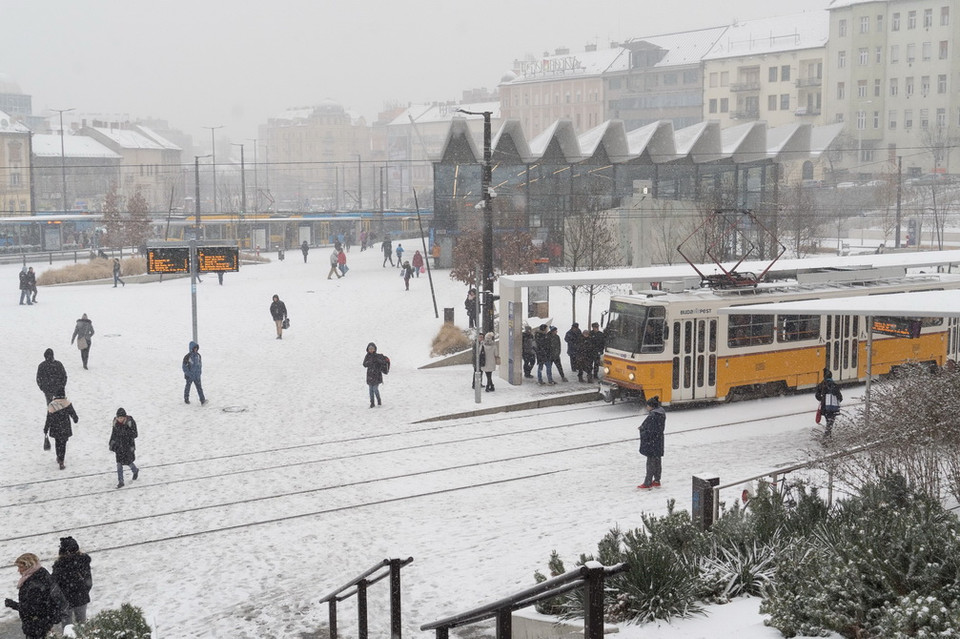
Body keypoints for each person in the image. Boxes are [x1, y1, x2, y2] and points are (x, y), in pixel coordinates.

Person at [5, 553, 67, 639]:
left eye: (21, 567)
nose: (18, 570)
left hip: (37, 625)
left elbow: (33, 609)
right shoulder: (40, 573)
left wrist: (13, 605)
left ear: (29, 566)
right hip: (43, 622)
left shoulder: (34, 583)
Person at [51, 537, 92, 626]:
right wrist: (83, 591)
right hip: (81, 596)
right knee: (82, 623)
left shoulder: (59, 565)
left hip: (65, 599)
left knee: (67, 625)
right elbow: (89, 582)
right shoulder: (83, 560)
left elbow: (54, 584)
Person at [637, 396, 666, 489]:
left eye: (647, 405)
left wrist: (642, 430)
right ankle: (657, 480)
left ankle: (647, 483)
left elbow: (649, 430)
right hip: (659, 440)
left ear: (651, 406)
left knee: (650, 463)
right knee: (657, 461)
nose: (646, 407)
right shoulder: (661, 413)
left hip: (652, 442)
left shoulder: (653, 416)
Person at [45, 394, 79, 470]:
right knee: (63, 444)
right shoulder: (67, 403)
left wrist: (46, 428)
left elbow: (49, 418)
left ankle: (59, 457)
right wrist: (75, 419)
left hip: (55, 428)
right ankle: (61, 461)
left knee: (57, 443)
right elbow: (73, 415)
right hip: (65, 427)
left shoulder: (52, 405)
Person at [109, 408, 139, 488]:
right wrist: (111, 443)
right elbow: (113, 434)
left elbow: (135, 434)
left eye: (121, 418)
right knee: (119, 464)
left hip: (128, 446)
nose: (120, 419)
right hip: (119, 446)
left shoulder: (130, 422)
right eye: (118, 418)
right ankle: (121, 481)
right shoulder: (115, 423)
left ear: (125, 417)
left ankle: (135, 470)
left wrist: (125, 433)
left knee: (128, 462)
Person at [815, 368, 843, 437]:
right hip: (832, 408)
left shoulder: (820, 385)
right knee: (830, 423)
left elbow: (817, 395)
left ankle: (828, 436)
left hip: (824, 408)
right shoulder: (834, 385)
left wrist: (822, 399)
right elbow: (840, 397)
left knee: (828, 421)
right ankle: (827, 437)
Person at [363, 342, 387, 408]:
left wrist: (377, 361)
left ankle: (379, 400)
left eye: (372, 348)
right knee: (370, 390)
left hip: (377, 375)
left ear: (375, 349)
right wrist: (370, 362)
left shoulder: (377, 356)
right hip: (370, 375)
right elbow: (364, 364)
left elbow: (382, 363)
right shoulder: (367, 356)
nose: (371, 350)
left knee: (375, 389)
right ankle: (372, 403)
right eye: (369, 348)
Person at [182, 341, 206, 405]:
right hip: (190, 376)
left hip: (197, 376)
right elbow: (184, 367)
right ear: (191, 348)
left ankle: (202, 400)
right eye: (194, 348)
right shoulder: (187, 357)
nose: (195, 349)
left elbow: (200, 365)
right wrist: (189, 374)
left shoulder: (198, 356)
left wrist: (199, 373)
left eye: (196, 348)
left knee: (199, 388)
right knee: (187, 387)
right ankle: (186, 399)